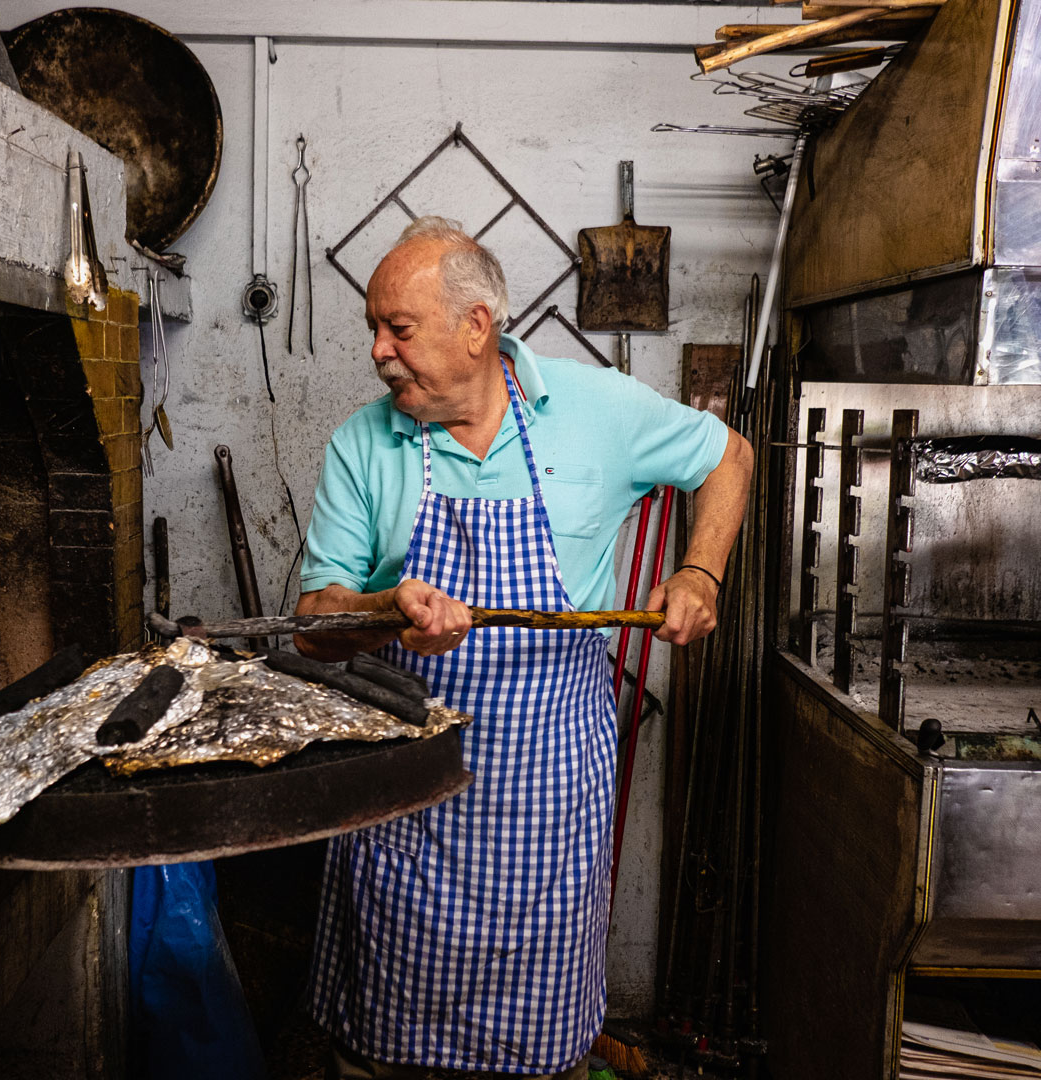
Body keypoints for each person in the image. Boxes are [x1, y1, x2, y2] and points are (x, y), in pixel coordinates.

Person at [297, 216, 753, 1079]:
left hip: (544, 804)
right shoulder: (366, 442)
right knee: (383, 1052)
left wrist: (701, 574)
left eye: (398, 328)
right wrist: (383, 609)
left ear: (477, 327)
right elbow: (315, 621)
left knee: (535, 1053)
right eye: (373, 329)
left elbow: (729, 455)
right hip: (405, 804)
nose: (378, 352)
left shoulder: (596, 411)